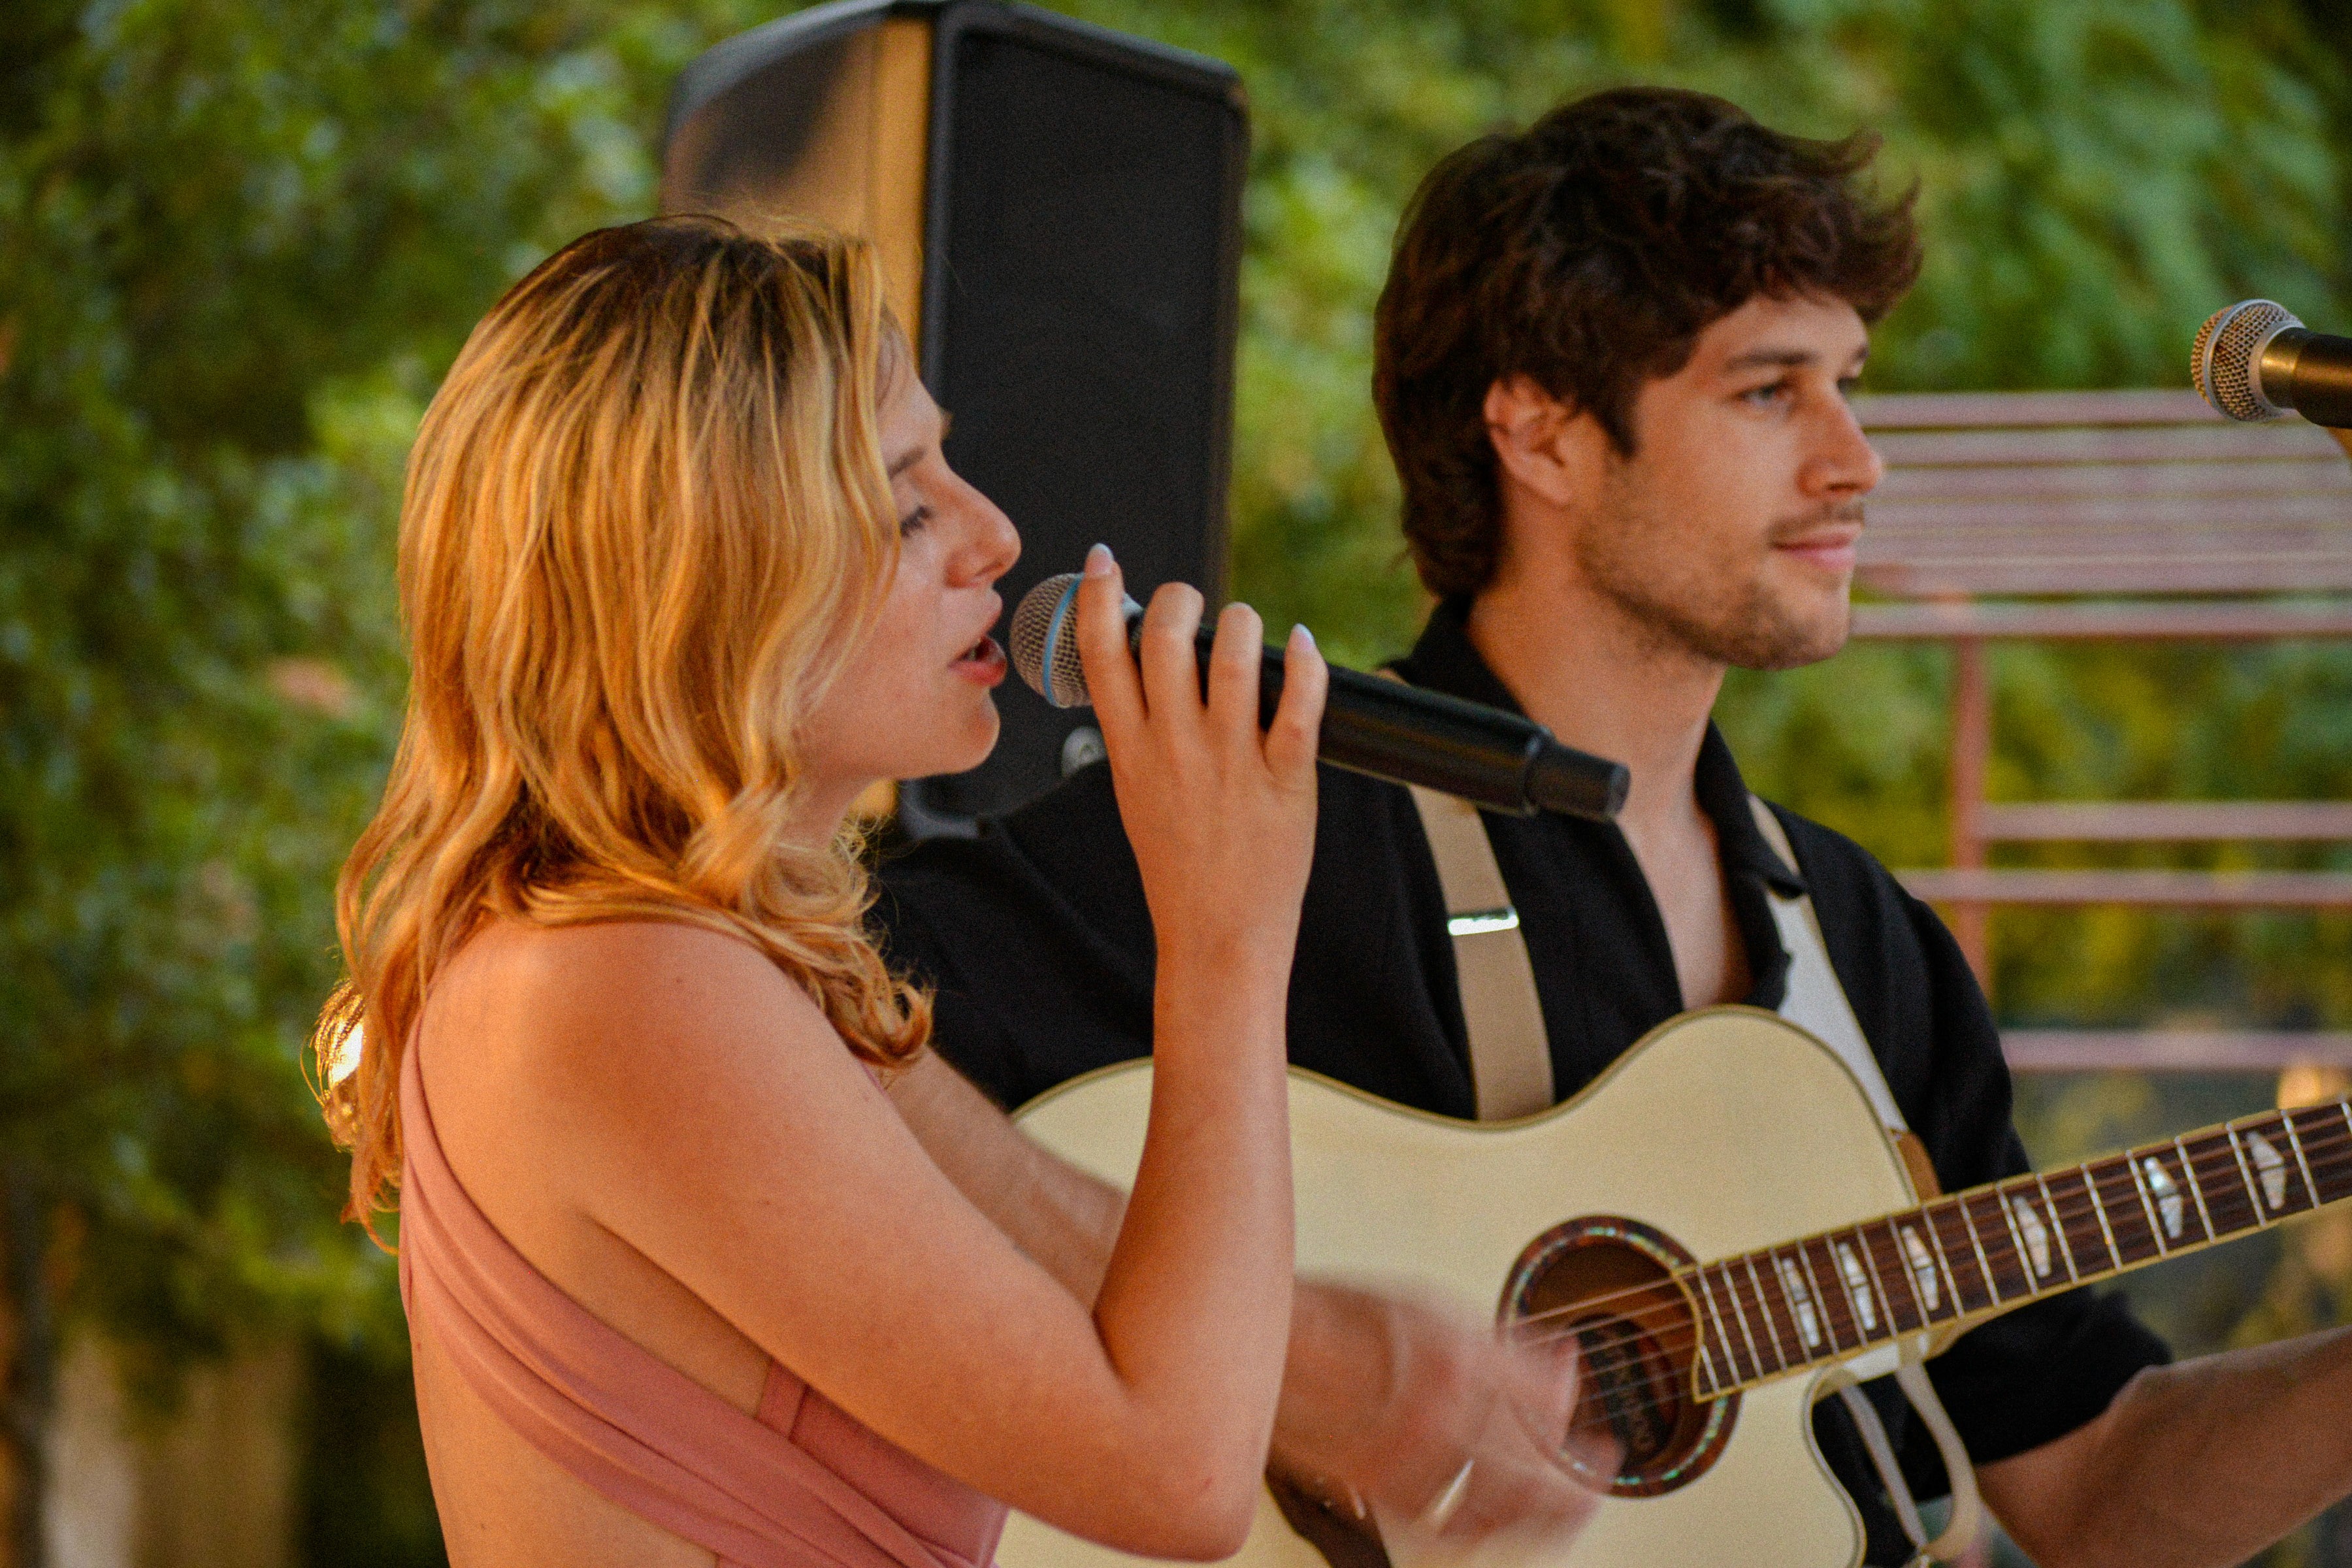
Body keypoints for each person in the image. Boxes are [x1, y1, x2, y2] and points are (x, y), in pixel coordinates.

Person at [876, 88, 2352, 1565]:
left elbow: (2100, 1492)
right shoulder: (1277, 809)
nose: (1857, 461)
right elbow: (808, 1013)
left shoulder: (1856, 934)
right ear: (1543, 433)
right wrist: (1301, 1365)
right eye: (1771, 393)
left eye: (1851, 381)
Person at [312, 215, 1337, 1567]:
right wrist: (1225, 940)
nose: (994, 536)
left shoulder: (681, 965)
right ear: (711, 574)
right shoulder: (623, 986)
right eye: (910, 502)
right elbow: (1179, 1474)